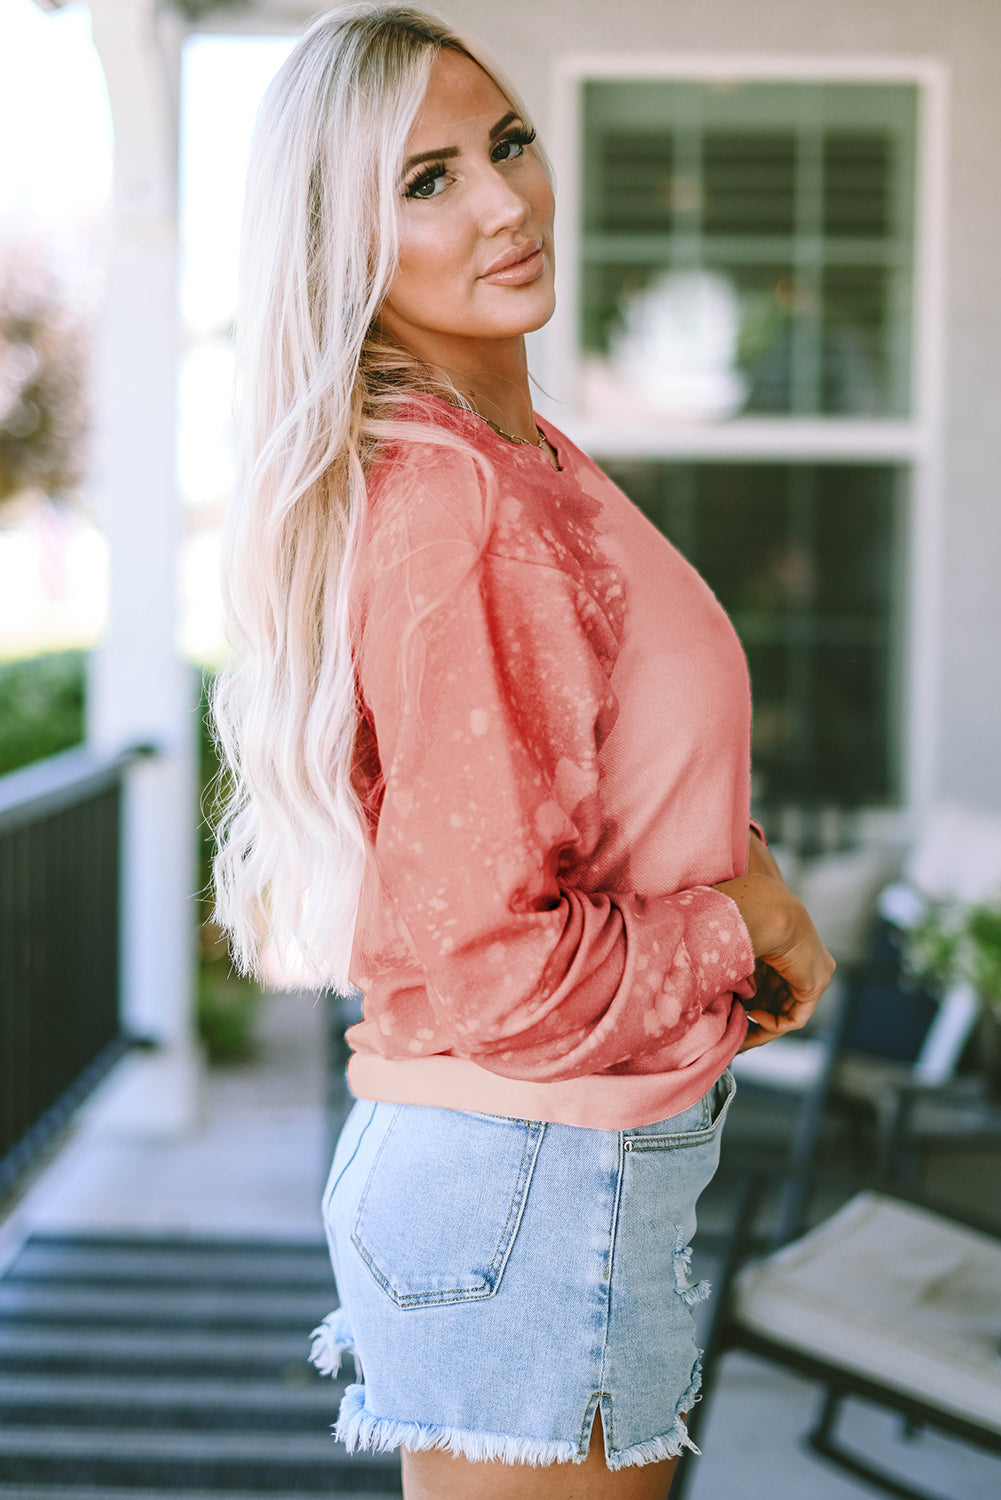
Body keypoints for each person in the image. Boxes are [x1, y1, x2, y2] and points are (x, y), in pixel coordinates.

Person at [210, 6, 836, 1497]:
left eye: (504, 144)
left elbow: (608, 774)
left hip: (555, 1174)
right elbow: (494, 964)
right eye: (423, 181)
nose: (504, 201)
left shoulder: (522, 454)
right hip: (533, 1185)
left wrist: (743, 883)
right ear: (337, 243)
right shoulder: (457, 503)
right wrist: (738, 926)